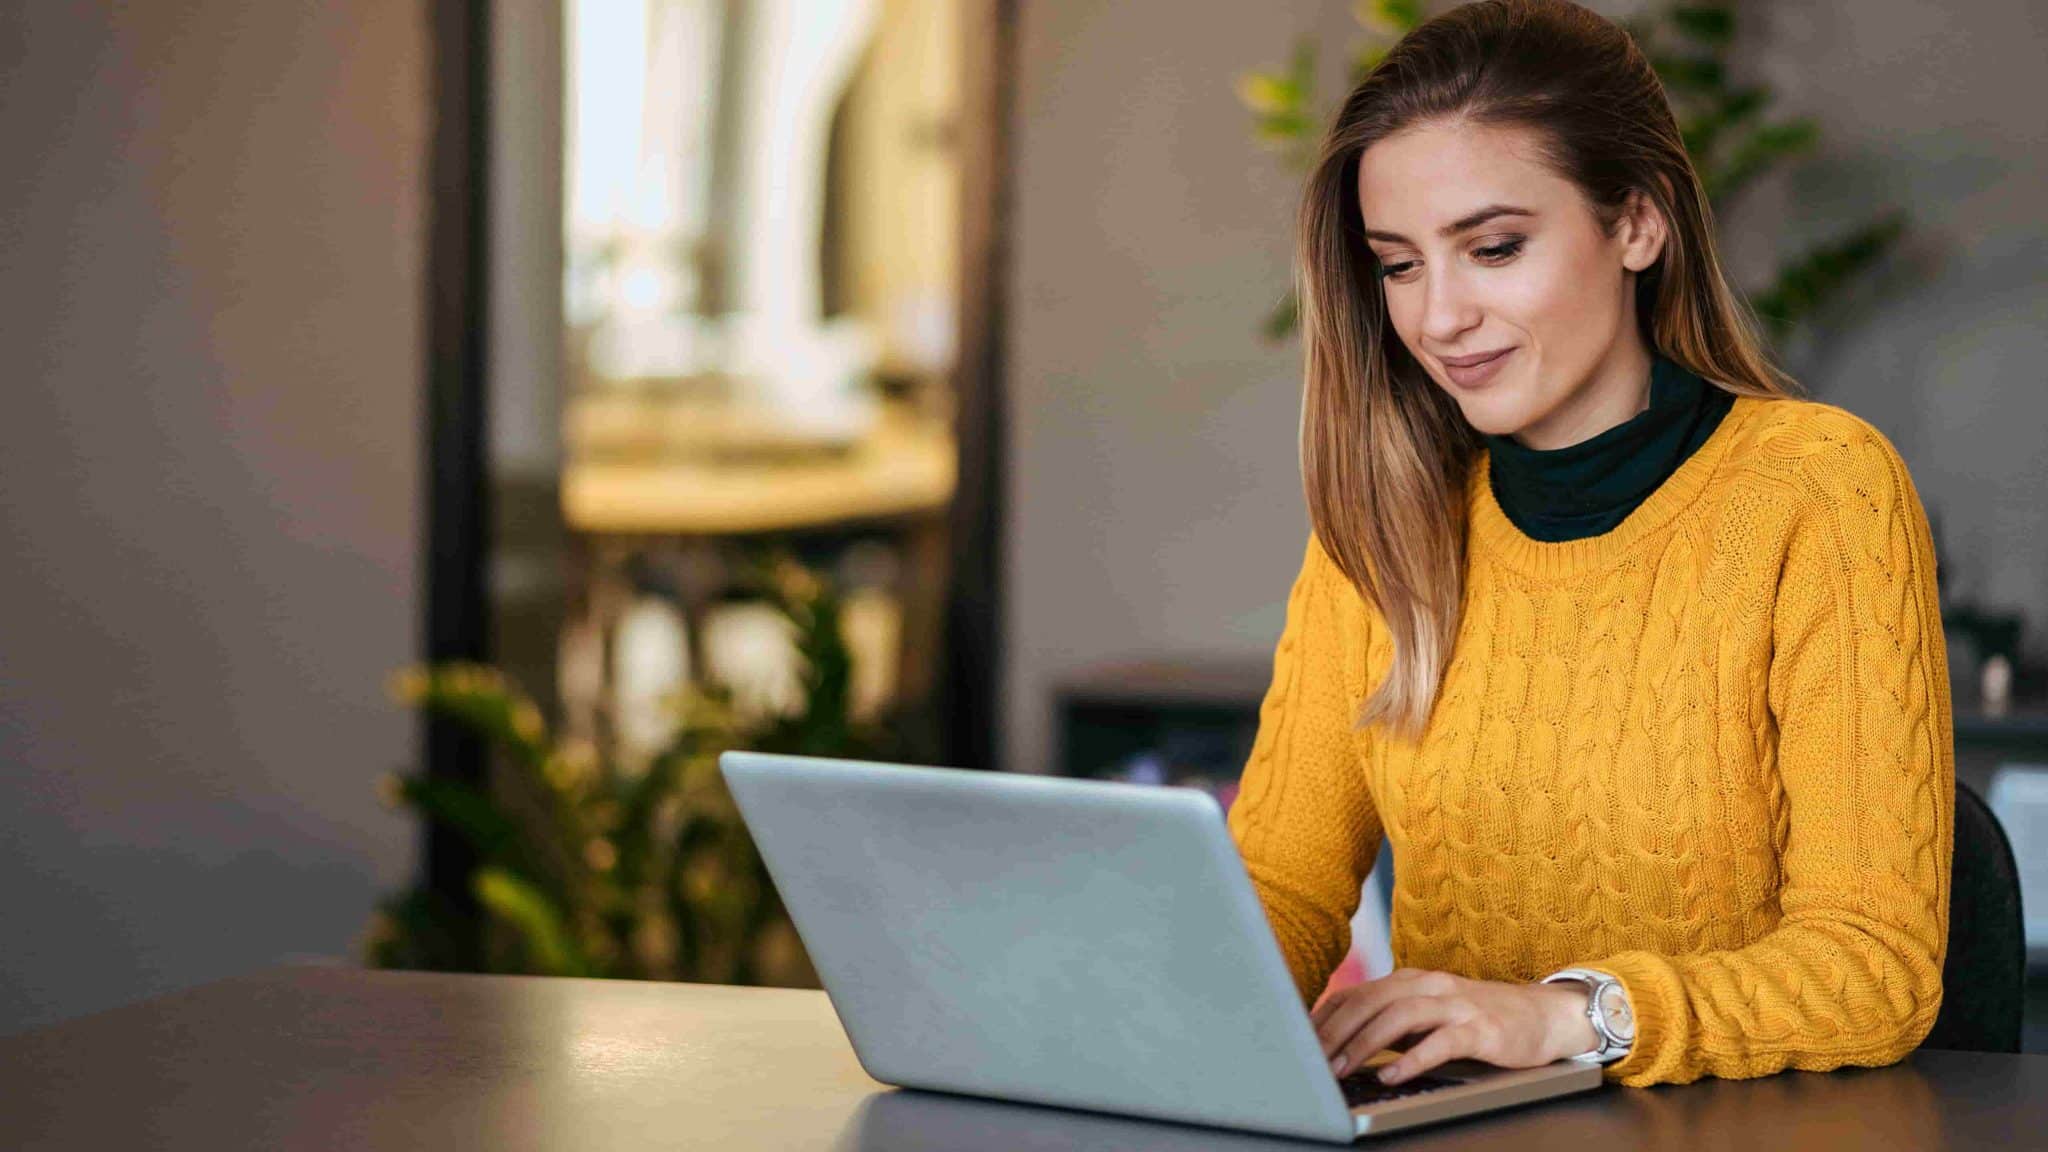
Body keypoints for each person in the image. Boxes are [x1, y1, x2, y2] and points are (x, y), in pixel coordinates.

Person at [1226, 0, 1952, 1091]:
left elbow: (1871, 967)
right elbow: (1280, 886)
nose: (1437, 317)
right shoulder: (1384, 524)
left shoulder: (1813, 491)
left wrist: (1564, 1016)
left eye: (1492, 248)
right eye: (1398, 264)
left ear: (1635, 225)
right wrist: (1147, 1021)